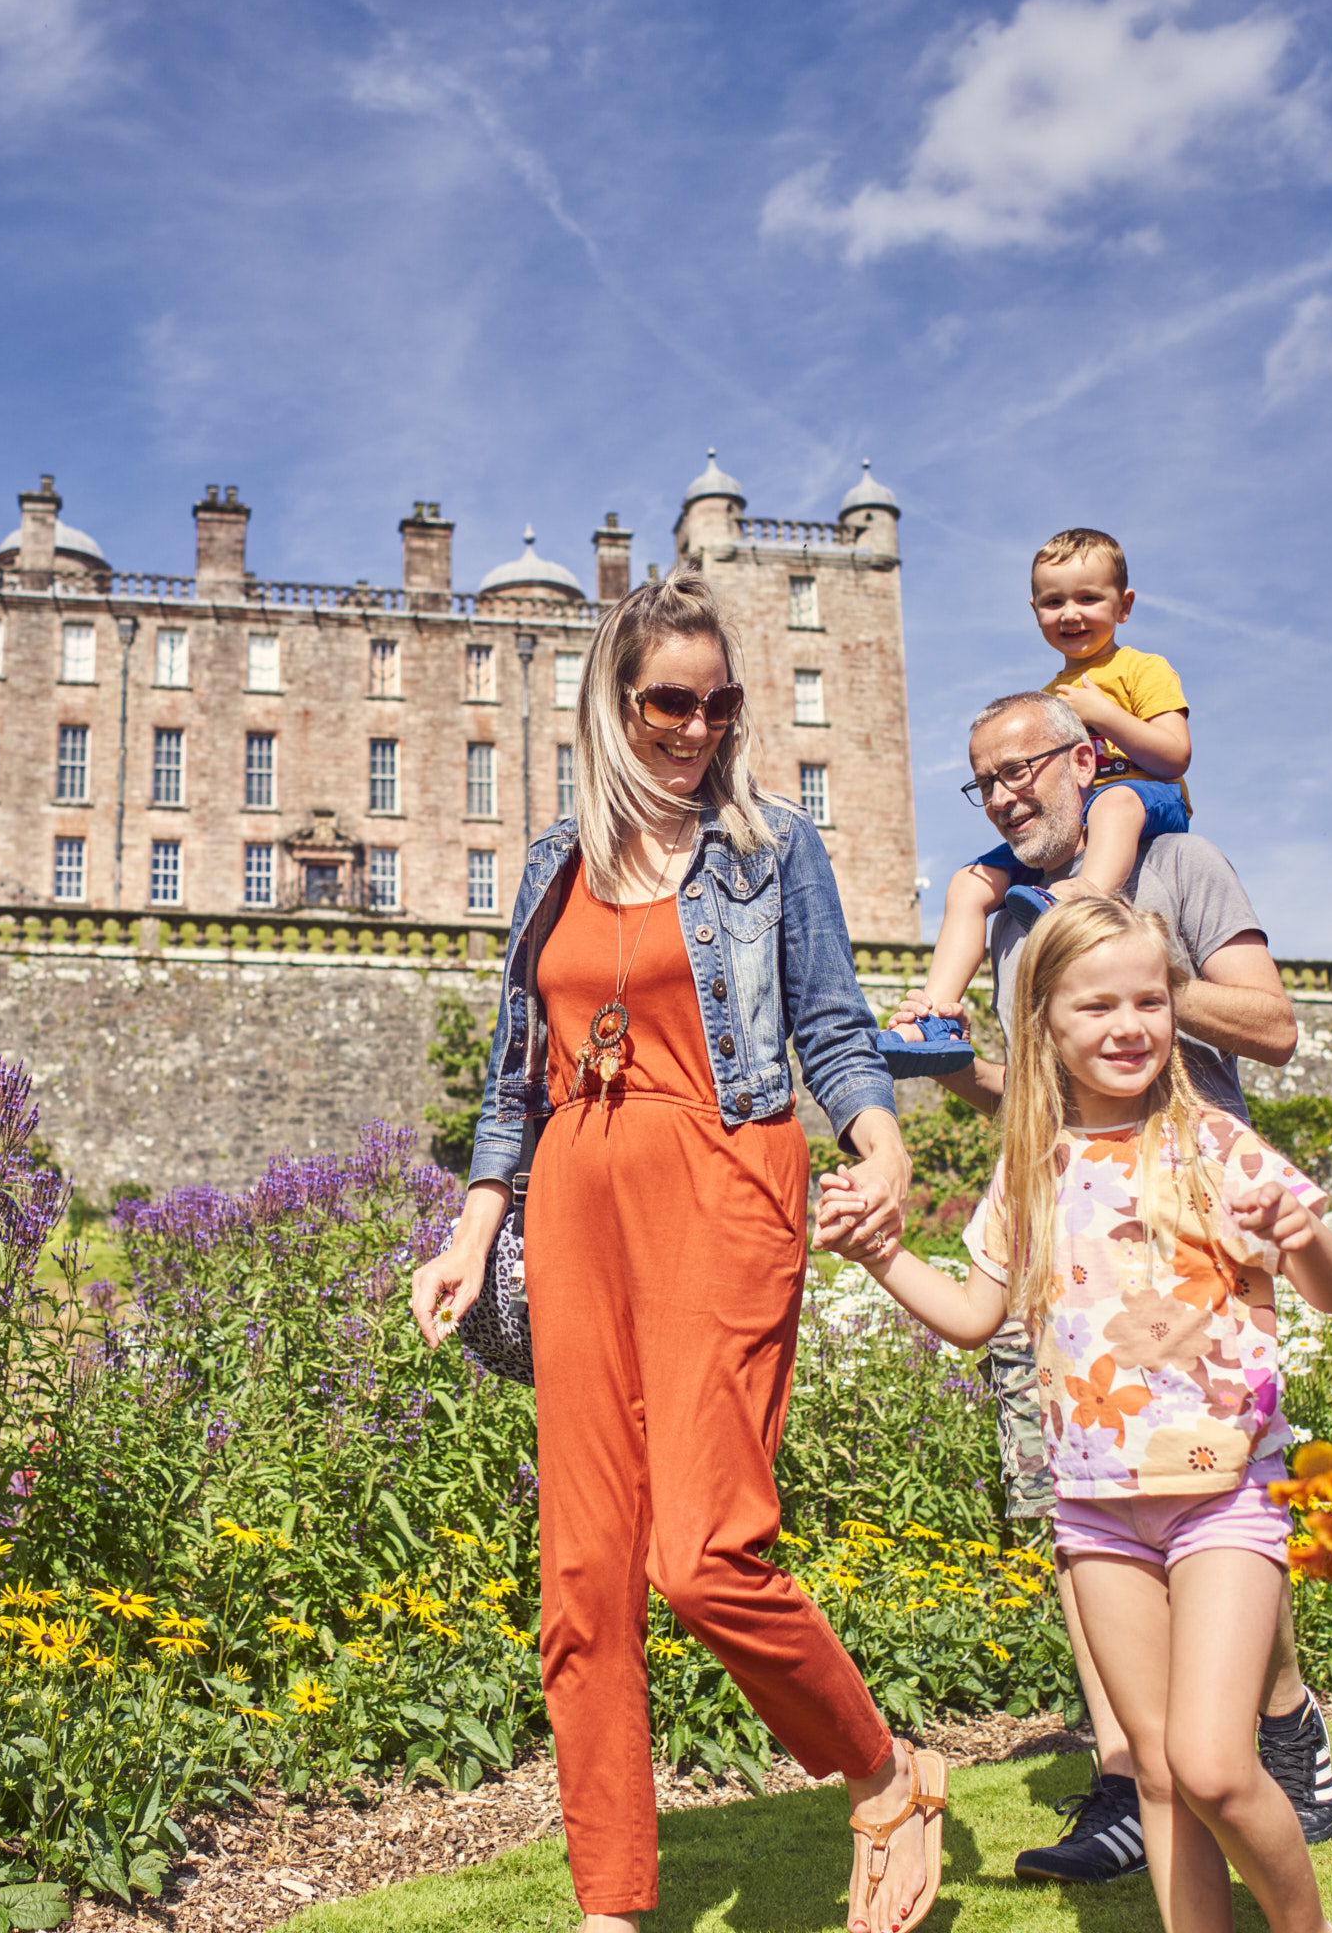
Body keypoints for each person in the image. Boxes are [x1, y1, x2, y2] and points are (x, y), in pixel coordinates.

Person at [407, 574, 945, 1933]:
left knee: (705, 1554)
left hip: (723, 1175)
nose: (696, 728)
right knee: (583, 1569)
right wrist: (475, 1228)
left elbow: (832, 1026)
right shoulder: (554, 860)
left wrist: (882, 1144)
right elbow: (513, 1068)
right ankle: (612, 1905)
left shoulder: (771, 850)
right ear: (615, 699)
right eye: (669, 702)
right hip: (574, 1199)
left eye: (720, 703)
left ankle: (883, 1773)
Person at [817, 892, 1332, 1933]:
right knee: (1157, 1772)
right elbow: (976, 1314)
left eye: (1150, 1000)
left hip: (1223, 1498)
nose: (1130, 1024)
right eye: (1098, 1003)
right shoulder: (1031, 1165)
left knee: (1212, 1757)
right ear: (1045, 1028)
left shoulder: (1215, 1143)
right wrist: (882, 1253)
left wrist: (1301, 1234)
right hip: (1098, 1510)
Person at [893, 688, 1332, 1886]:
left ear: (1085, 758)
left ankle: (1282, 1716)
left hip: (1197, 1237)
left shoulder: (1183, 861)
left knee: (1211, 1502)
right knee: (1076, 1501)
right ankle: (1128, 1783)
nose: (1000, 797)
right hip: (1060, 1240)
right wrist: (961, 1067)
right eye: (979, 782)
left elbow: (1278, 1026)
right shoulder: (999, 917)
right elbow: (1039, 1089)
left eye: (1019, 770)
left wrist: (1130, 980)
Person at [884, 527, 1191, 1079]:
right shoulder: (1050, 696)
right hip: (1080, 818)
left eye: (1088, 598)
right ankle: (936, 1015)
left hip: (1147, 799)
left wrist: (1105, 716)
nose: (1070, 613)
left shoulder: (1143, 669)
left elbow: (1175, 755)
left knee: (1114, 801)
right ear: (1035, 610)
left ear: (1124, 606)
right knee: (968, 883)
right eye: (1054, 602)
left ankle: (1082, 898)